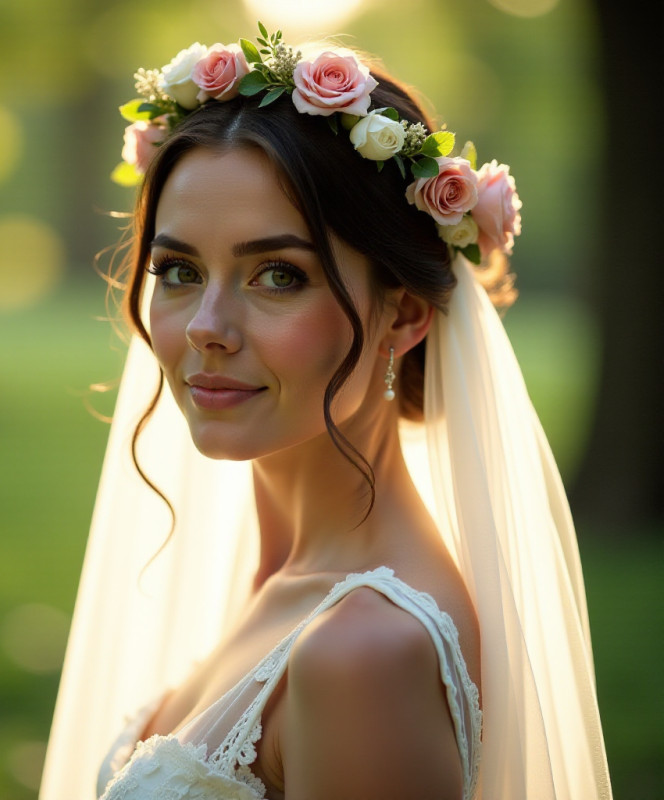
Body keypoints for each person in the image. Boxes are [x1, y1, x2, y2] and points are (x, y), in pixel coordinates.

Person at [40, 25, 613, 800]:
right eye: (178, 269)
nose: (207, 326)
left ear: (403, 315)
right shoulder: (276, 578)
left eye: (277, 274)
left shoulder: (363, 654)